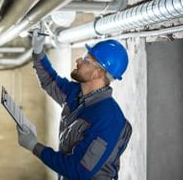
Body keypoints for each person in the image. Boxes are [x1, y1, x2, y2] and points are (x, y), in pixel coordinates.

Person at [16, 29, 132, 180]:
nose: (78, 61)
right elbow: (50, 81)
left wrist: (34, 146)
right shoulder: (77, 93)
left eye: (86, 60)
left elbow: (79, 170)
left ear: (98, 73)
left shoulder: (108, 118)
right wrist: (38, 51)